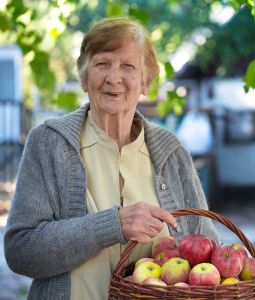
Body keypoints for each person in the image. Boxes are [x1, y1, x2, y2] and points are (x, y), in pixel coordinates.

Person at [4, 17, 218, 300]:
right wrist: (112, 225)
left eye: (128, 66)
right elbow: (21, 251)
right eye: (102, 63)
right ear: (83, 77)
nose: (113, 78)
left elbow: (209, 250)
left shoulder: (171, 151)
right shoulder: (48, 143)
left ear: (146, 82)